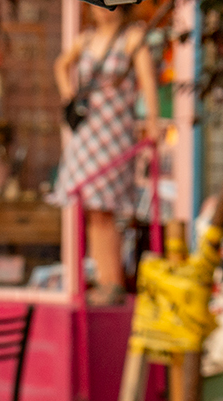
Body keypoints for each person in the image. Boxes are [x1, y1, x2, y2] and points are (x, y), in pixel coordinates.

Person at [51, 0, 161, 305]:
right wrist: (68, 96)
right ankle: (103, 279)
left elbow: (148, 81)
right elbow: (61, 65)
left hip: (114, 130)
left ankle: (112, 281)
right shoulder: (85, 39)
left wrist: (152, 122)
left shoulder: (133, 37)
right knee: (92, 208)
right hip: (88, 132)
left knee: (107, 206)